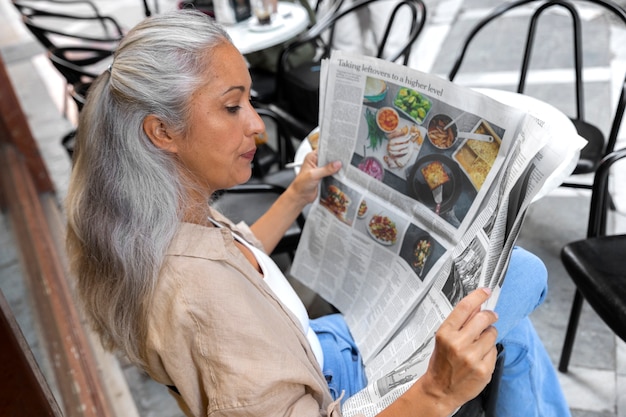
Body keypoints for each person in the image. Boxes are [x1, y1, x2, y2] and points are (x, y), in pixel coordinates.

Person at [65, 10, 571, 417]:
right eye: (231, 107)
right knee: (521, 280)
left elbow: (236, 257)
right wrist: (437, 392)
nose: (257, 126)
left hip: (311, 345)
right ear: (162, 132)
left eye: (250, 100)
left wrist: (297, 196)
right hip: (327, 388)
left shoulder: (152, 220)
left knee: (508, 331)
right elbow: (219, 295)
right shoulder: (201, 299)